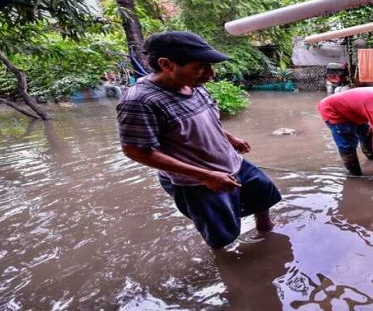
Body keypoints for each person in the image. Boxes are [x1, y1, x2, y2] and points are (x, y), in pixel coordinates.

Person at [116, 31, 281, 249]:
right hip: (196, 181)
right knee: (222, 233)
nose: (210, 74)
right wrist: (206, 176)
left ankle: (266, 228)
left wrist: (230, 138)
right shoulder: (139, 101)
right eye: (201, 67)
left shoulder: (194, 85)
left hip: (232, 162)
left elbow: (206, 119)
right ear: (167, 64)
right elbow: (136, 151)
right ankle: (232, 268)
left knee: (263, 193)